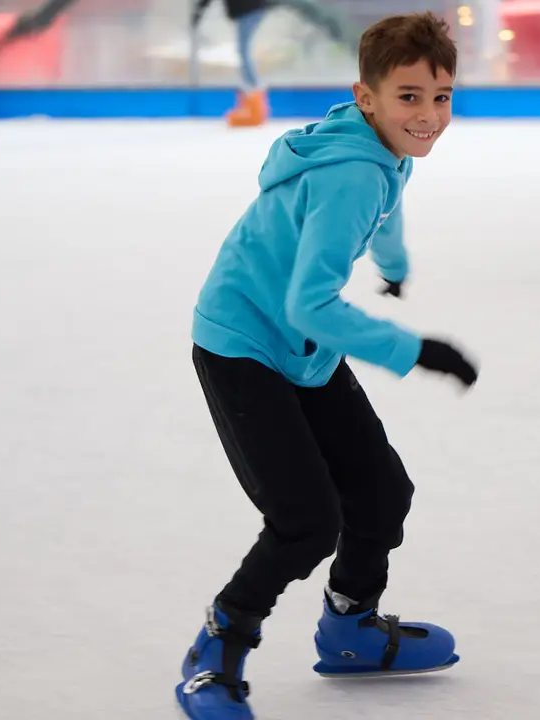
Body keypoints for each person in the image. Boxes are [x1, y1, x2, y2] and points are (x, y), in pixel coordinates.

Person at [178, 12, 475, 720]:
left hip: (300, 351)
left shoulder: (376, 150)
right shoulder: (349, 174)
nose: (429, 115)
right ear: (366, 96)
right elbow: (310, 305)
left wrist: (394, 266)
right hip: (244, 344)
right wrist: (415, 350)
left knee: (380, 491)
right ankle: (216, 647)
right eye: (409, 96)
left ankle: (349, 630)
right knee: (305, 519)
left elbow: (389, 197)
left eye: (441, 96)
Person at [191, 0, 365, 128]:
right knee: (243, 50)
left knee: (243, 51)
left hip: (250, 8)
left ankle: (254, 95)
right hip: (249, 9)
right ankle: (251, 97)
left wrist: (198, 14)